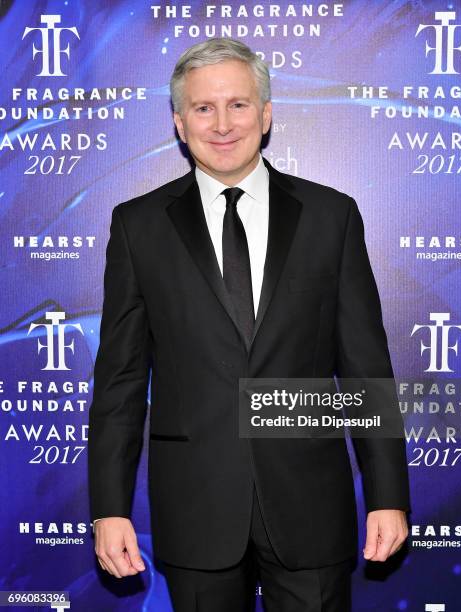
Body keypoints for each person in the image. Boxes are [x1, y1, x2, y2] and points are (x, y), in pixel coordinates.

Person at [88, 37, 410, 612]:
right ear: (180, 124)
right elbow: (119, 382)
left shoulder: (331, 216)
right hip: (195, 506)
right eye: (203, 108)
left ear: (265, 115)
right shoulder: (138, 227)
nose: (221, 123)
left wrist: (388, 496)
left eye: (237, 105)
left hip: (310, 502)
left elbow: (366, 368)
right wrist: (109, 509)